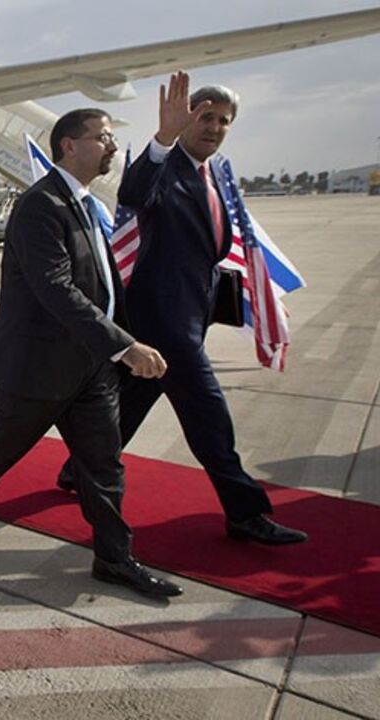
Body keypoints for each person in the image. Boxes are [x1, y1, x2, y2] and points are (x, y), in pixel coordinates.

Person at [0, 108, 182, 598]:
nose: (111, 145)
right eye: (103, 137)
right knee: (5, 441)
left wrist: (117, 343)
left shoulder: (86, 204)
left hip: (91, 366)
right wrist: (125, 346)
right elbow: (56, 289)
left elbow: (101, 284)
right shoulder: (40, 206)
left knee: (103, 464)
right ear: (69, 145)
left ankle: (114, 558)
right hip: (39, 363)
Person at [56, 73, 307, 546]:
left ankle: (78, 469)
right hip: (165, 323)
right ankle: (245, 513)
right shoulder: (165, 167)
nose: (213, 127)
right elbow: (133, 193)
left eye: (223, 121)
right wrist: (163, 138)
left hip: (191, 313)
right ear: (185, 118)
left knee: (131, 403)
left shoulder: (216, 172)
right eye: (205, 117)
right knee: (210, 416)